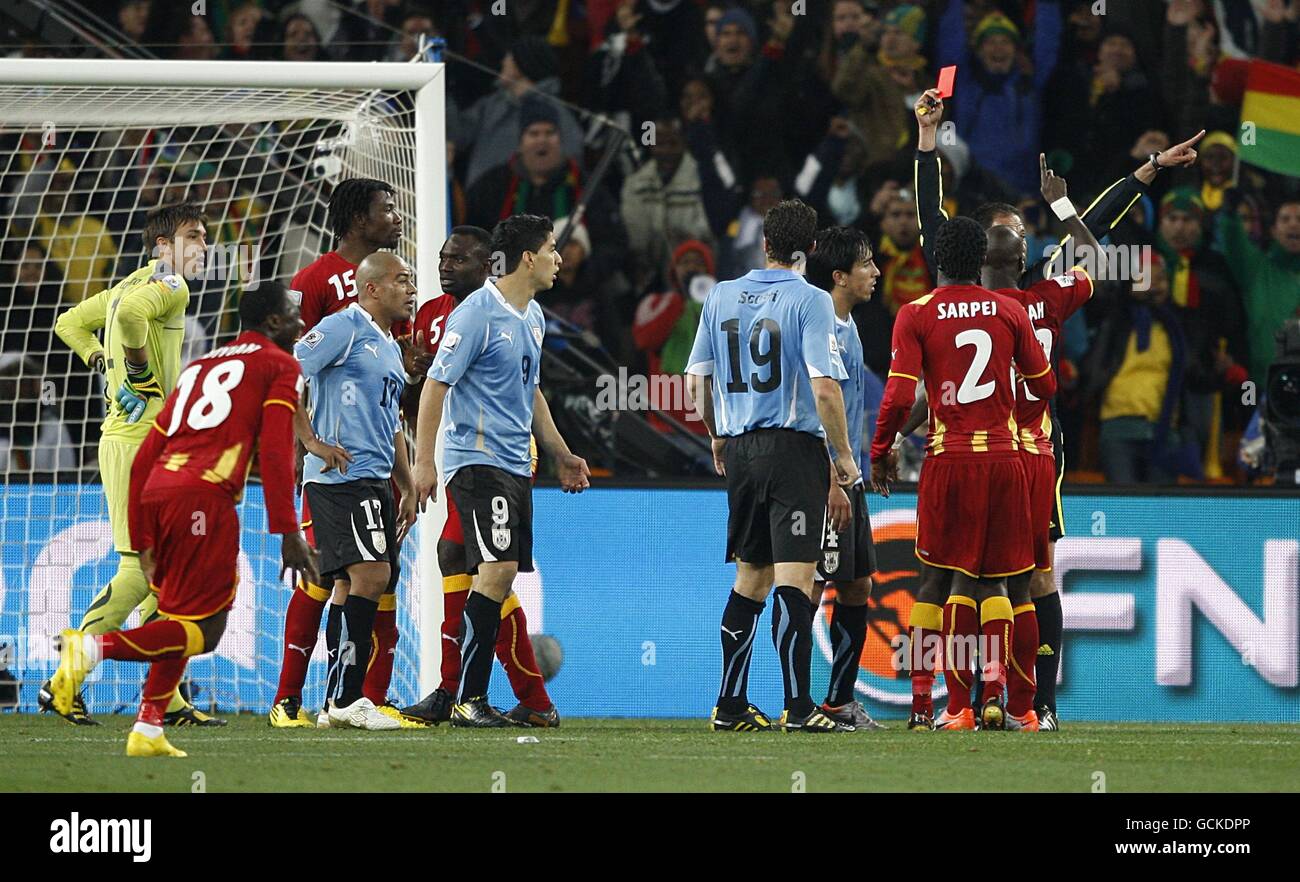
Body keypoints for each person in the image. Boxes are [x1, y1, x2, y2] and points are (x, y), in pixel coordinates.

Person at [46, 282, 318, 757]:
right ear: (274, 323)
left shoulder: (202, 364)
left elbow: (151, 446)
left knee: (176, 614)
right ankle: (91, 649)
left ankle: (149, 727)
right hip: (204, 501)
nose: (301, 323)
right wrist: (287, 530)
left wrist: (141, 529)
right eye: (293, 315)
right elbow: (276, 454)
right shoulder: (281, 366)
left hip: (158, 491)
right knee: (206, 630)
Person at [870, 217, 1055, 732]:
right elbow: (1046, 383)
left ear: (936, 261)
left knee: (935, 580)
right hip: (1004, 458)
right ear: (980, 262)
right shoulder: (1009, 310)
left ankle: (936, 707)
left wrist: (882, 447)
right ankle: (1011, 704)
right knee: (1005, 581)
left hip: (947, 458)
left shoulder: (916, 313)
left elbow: (900, 394)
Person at [685, 198, 861, 733]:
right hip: (793, 451)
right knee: (793, 578)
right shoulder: (810, 302)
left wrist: (717, 435)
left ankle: (730, 703)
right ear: (810, 249)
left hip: (739, 450)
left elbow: (696, 381)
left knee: (750, 577)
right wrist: (844, 456)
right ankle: (800, 708)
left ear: (764, 244)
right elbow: (825, 388)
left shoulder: (721, 295)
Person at [45, 201, 221, 727]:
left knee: (166, 573)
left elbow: (69, 322)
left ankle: (166, 698)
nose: (203, 247)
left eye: (206, 237)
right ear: (163, 246)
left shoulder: (128, 282)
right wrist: (141, 377)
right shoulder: (171, 286)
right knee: (135, 571)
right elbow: (130, 319)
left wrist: (100, 360)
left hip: (138, 440)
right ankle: (63, 681)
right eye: (192, 236)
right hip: (137, 441)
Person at [412, 214, 591, 728]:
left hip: (517, 464)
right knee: (494, 571)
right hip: (478, 461)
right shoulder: (475, 314)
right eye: (553, 249)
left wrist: (560, 451)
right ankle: (469, 698)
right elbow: (435, 387)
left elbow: (530, 390)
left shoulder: (532, 316)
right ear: (529, 257)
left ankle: (471, 696)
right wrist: (424, 461)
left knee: (497, 572)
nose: (560, 259)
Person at [269, 177, 418, 729]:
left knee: (352, 583)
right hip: (337, 476)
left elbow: (392, 419)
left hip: (377, 476)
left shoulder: (387, 344)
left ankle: (343, 698)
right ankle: (331, 698)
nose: (411, 289)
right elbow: (285, 372)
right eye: (402, 281)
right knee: (363, 578)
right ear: (372, 287)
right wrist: (307, 442)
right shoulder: (338, 319)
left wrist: (408, 480)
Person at [981, 166, 1102, 730]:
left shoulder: (1044, 297)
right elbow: (1096, 257)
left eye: (1026, 234)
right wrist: (1062, 205)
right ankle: (984, 699)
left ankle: (1040, 705)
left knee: (1032, 577)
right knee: (979, 577)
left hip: (1031, 453)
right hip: (979, 451)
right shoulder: (972, 305)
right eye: (1013, 233)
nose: (1023, 242)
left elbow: (1094, 261)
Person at [805, 226, 884, 731]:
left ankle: (838, 700)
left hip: (848, 476)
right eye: (867, 264)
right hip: (821, 480)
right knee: (809, 586)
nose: (876, 272)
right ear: (839, 276)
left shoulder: (848, 325)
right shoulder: (820, 326)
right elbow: (816, 404)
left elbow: (848, 409)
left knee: (856, 585)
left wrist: (862, 468)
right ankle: (798, 700)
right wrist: (833, 478)